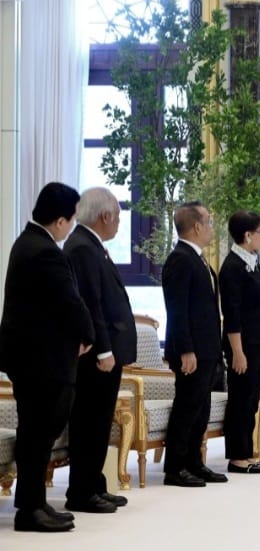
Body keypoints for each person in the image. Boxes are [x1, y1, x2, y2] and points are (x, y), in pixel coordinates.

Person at [0, 182, 93, 532]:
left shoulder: (25, 243)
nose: (71, 228)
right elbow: (69, 301)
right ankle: (29, 509)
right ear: (59, 220)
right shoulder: (46, 251)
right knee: (39, 433)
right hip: (43, 360)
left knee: (37, 432)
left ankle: (34, 502)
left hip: (31, 358)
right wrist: (87, 334)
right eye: (71, 220)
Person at [63, 187, 137, 513]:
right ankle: (81, 492)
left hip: (105, 354)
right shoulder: (81, 247)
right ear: (105, 216)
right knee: (89, 423)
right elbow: (90, 303)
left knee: (99, 423)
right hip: (96, 357)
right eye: (119, 217)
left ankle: (95, 485)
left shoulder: (94, 245)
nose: (119, 223)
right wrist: (104, 350)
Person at [161, 202, 227, 487]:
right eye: (209, 222)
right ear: (197, 226)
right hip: (192, 351)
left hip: (208, 349)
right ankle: (175, 468)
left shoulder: (198, 258)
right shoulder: (180, 259)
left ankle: (194, 462)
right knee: (187, 408)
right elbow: (177, 309)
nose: (212, 228)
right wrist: (186, 349)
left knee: (201, 408)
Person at [219, 211, 260, 474]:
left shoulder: (252, 261)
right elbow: (232, 314)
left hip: (258, 341)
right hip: (243, 344)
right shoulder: (232, 267)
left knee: (251, 399)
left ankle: (247, 451)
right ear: (247, 235)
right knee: (240, 398)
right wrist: (237, 352)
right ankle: (237, 456)